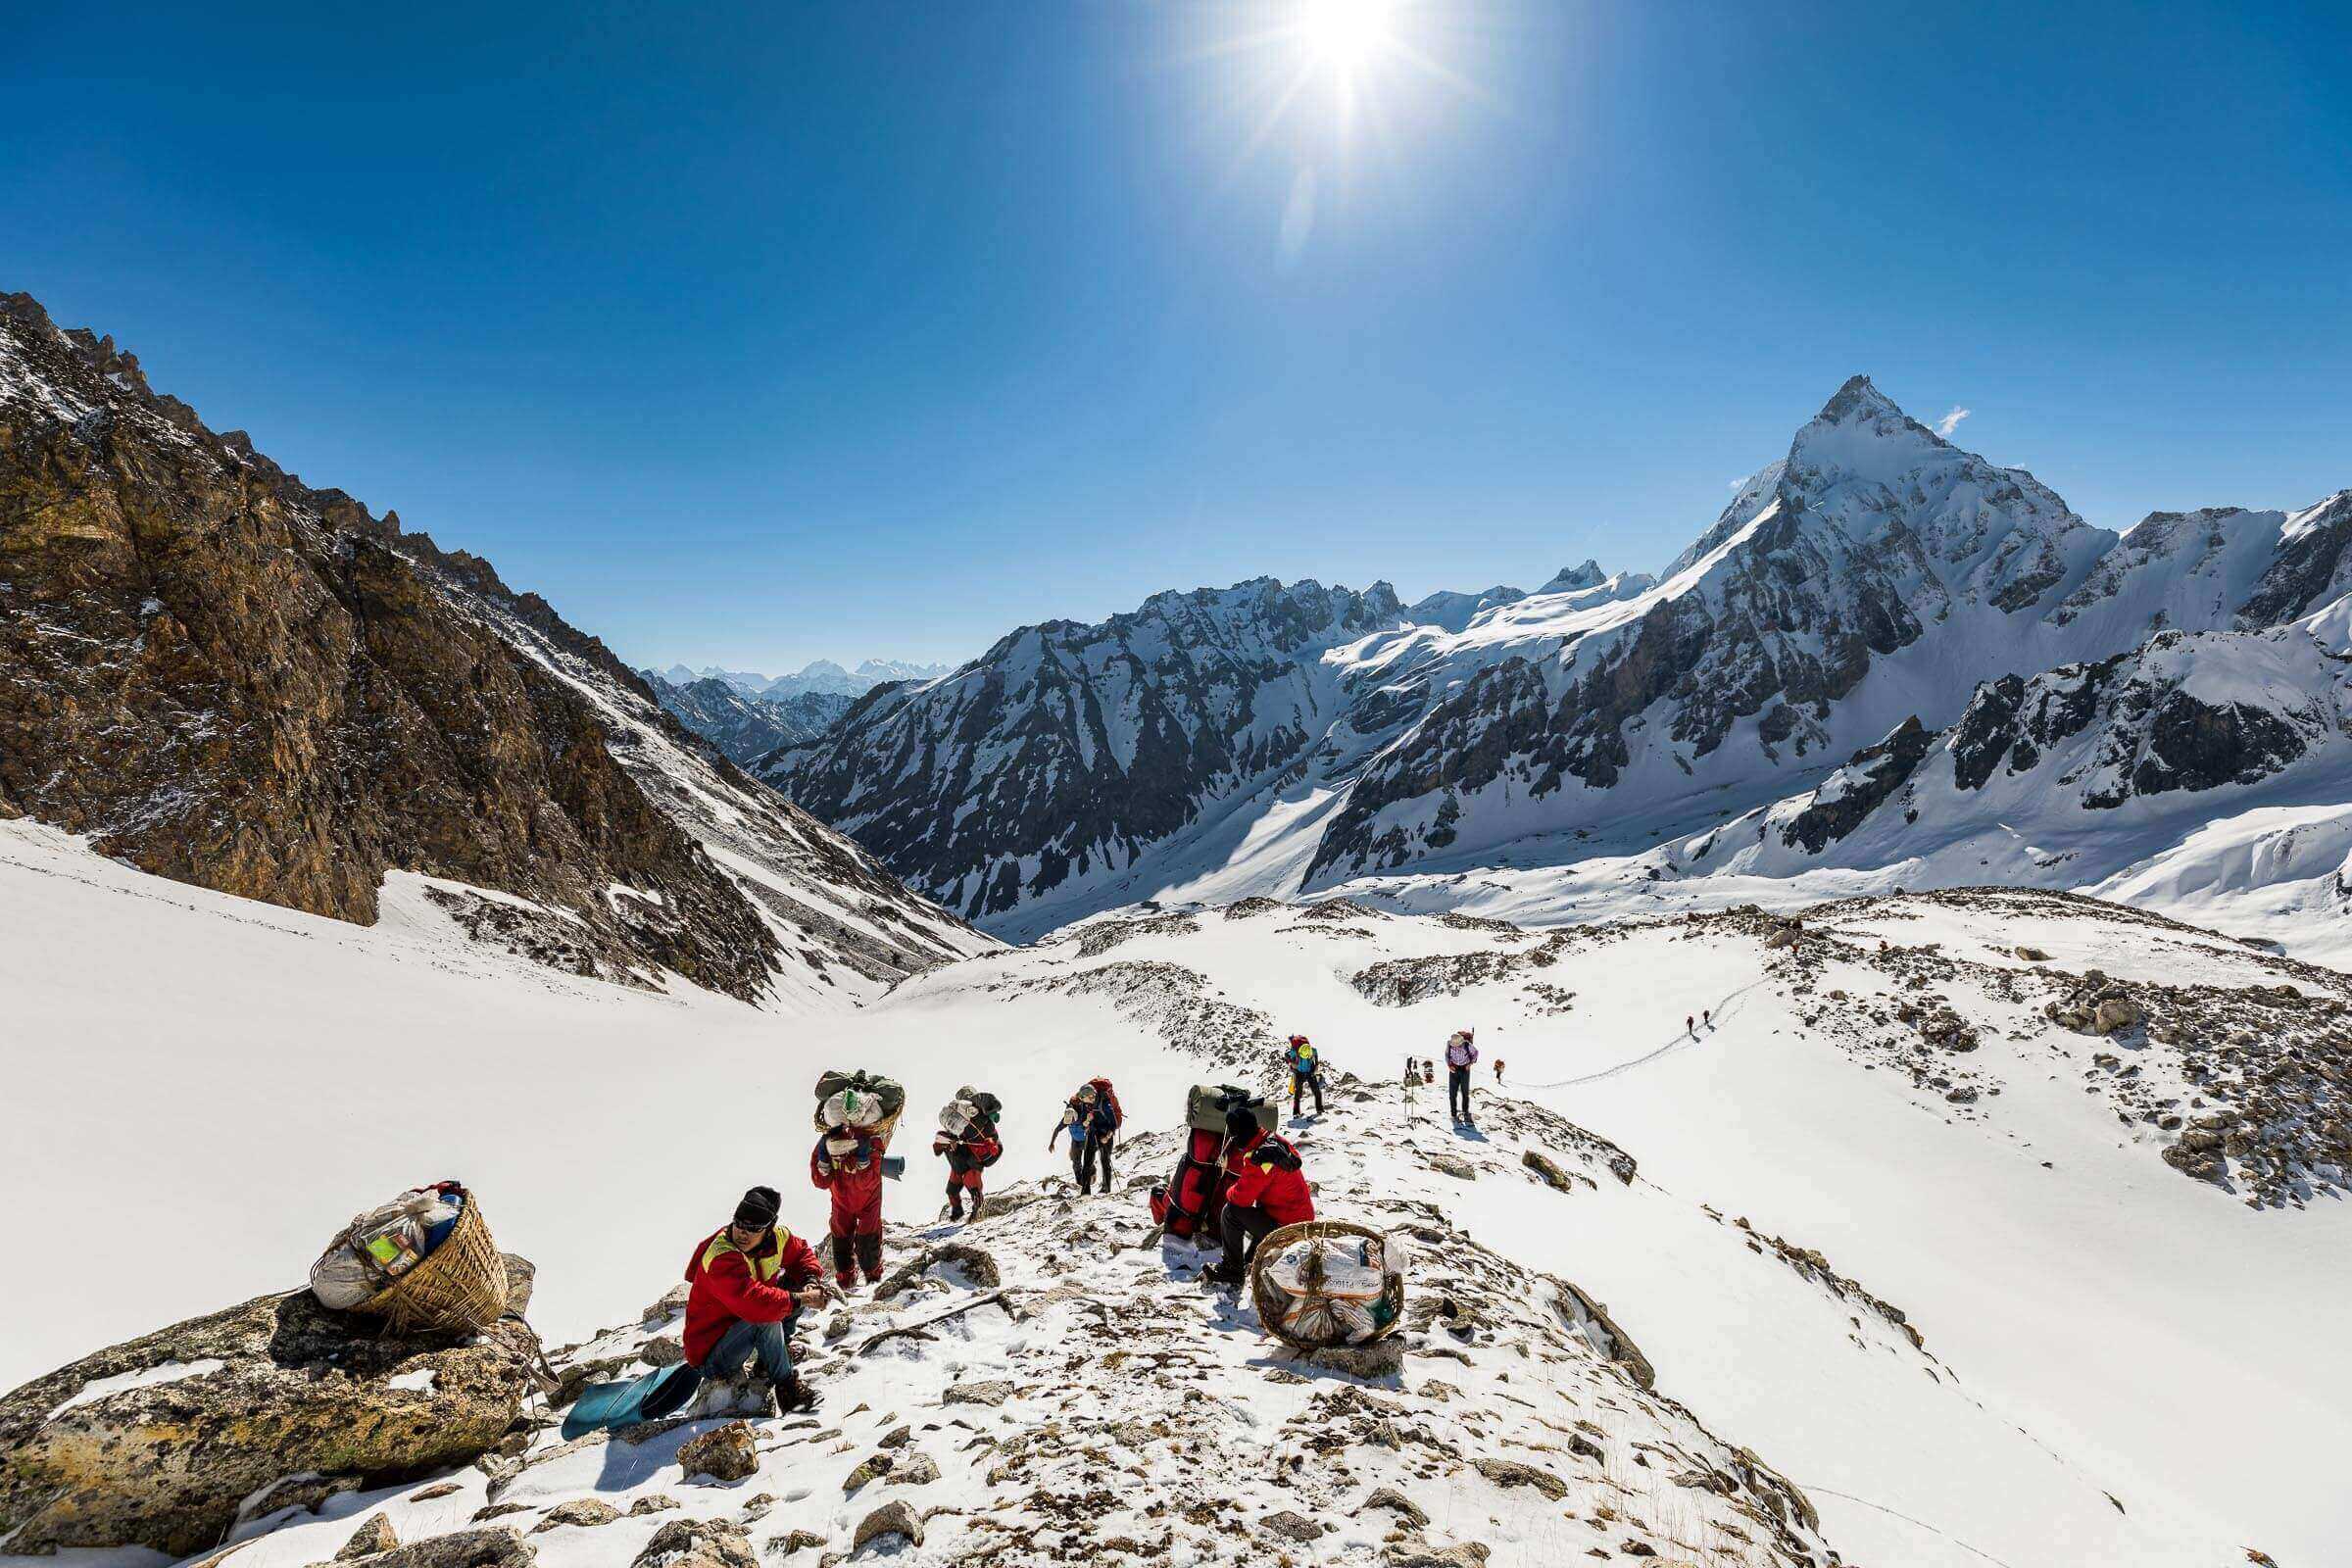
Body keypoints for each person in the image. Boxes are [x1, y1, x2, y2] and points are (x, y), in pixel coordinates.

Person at [682, 1186, 829, 1413]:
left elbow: (801, 1254)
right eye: (738, 1223)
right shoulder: (722, 1255)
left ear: (769, 1229)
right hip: (712, 1358)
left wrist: (810, 1280)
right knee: (767, 1316)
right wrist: (802, 1299)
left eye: (753, 1228)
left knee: (794, 1286)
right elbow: (754, 1304)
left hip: (740, 1334)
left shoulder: (778, 1239)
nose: (742, 1232)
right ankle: (789, 1392)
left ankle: (766, 1365)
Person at [1205, 1109, 1314, 1284]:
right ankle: (1250, 1260)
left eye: (1233, 1136)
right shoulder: (1273, 1141)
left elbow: (1241, 1199)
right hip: (1299, 1220)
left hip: (1288, 1229)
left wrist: (1229, 1188)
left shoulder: (1260, 1160)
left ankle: (1232, 1270)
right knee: (1257, 1211)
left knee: (1230, 1212)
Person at [810, 1122, 888, 1290]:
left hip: (869, 1202)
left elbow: (868, 1183)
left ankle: (874, 1280)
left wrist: (862, 1163)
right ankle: (845, 1282)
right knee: (840, 1245)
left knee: (868, 1244)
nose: (837, 1159)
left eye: (841, 1156)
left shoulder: (869, 1146)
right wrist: (822, 1167)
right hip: (841, 1203)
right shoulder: (825, 1147)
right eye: (834, 1157)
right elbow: (820, 1183)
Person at [933, 1092, 1003, 1221]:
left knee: (971, 1184)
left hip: (972, 1160)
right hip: (963, 1162)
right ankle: (957, 1214)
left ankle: (977, 1213)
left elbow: (991, 1137)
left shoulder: (981, 1120)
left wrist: (990, 1143)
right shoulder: (964, 1124)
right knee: (952, 1190)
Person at [1049, 1078, 1122, 1194]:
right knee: (1081, 1162)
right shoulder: (1079, 1109)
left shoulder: (1101, 1104)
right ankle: (1083, 1188)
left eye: (1086, 1099)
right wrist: (1087, 1121)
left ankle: (1105, 1187)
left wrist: (1106, 1136)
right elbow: (1076, 1125)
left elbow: (1111, 1124)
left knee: (1102, 1161)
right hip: (1084, 1137)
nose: (1085, 1102)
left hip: (1098, 1135)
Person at [1283, 1034, 1325, 1117]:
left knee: (1317, 1091)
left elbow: (1316, 1056)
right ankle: (1296, 1113)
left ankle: (1320, 1109)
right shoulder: (1294, 1052)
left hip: (1310, 1072)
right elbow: (1286, 1055)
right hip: (1299, 1073)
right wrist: (1291, 1062)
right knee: (1298, 1093)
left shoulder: (1312, 1050)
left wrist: (1316, 1065)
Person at [1445, 1029, 1479, 1125]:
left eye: (1458, 1045)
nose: (1457, 1046)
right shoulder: (1449, 1044)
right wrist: (1449, 1065)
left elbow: (1476, 1053)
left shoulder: (1467, 1045)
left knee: (1465, 1092)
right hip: (1454, 1069)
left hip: (1465, 1069)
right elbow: (1447, 1055)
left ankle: (1465, 1112)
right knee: (1452, 1093)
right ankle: (1453, 1114)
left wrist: (1470, 1064)